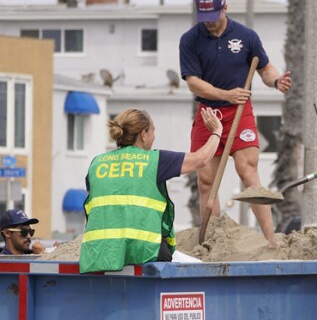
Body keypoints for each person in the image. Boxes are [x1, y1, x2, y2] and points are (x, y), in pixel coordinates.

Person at [179, 0, 292, 247]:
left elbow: (265, 68)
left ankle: (270, 240)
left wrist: (276, 82)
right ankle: (211, 242)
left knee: (248, 172)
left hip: (240, 113)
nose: (208, 23)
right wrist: (225, 94)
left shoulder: (246, 36)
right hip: (209, 113)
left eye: (213, 17)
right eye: (203, 18)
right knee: (206, 180)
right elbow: (194, 82)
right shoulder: (190, 39)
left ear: (225, 9)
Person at [79, 108, 222, 273]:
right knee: (191, 266)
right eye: (153, 130)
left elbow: (93, 210)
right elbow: (201, 158)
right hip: (143, 250)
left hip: (98, 252)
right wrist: (217, 131)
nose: (154, 136)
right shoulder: (154, 160)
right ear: (143, 134)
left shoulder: (97, 163)